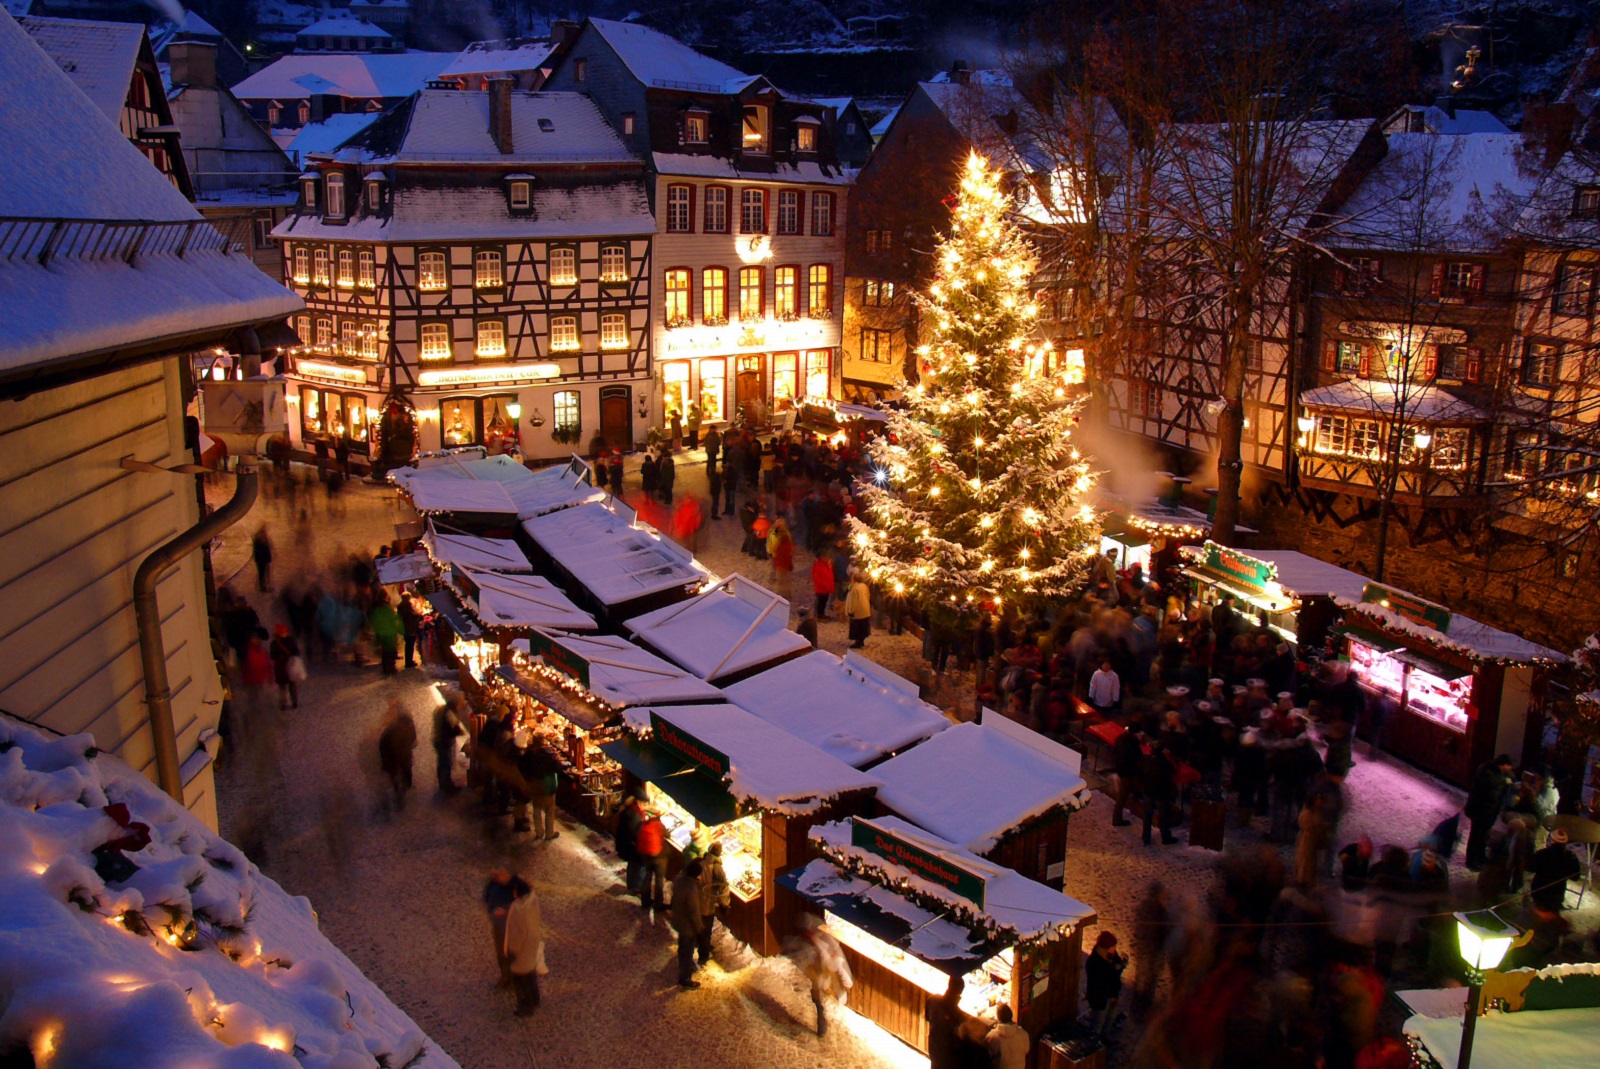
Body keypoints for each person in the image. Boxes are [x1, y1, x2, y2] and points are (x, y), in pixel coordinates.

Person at [788, 915, 852, 1037]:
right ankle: (821, 1019)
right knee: (817, 990)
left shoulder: (824, 939)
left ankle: (822, 1020)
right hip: (818, 967)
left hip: (825, 964)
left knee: (826, 984)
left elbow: (834, 957)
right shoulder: (811, 937)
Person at [482, 865, 530, 988]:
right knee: (501, 954)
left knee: (513, 954)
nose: (499, 874)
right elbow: (487, 898)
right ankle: (505, 977)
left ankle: (517, 981)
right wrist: (491, 909)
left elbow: (526, 904)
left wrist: (506, 910)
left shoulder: (518, 886)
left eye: (502, 872)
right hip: (499, 926)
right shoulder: (493, 883)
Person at [1465, 754, 1514, 870]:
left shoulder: (1497, 773)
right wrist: (1504, 783)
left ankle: (1481, 856)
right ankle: (1471, 860)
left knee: (1483, 835)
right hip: (1480, 810)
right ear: (1504, 765)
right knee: (1476, 835)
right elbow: (1491, 792)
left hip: (1489, 811)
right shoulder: (1487, 772)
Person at [503, 881, 544, 1016]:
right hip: (532, 944)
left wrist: (511, 950)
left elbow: (515, 934)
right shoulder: (533, 901)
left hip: (521, 952)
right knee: (530, 974)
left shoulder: (518, 909)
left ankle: (525, 1008)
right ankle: (535, 999)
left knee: (521, 980)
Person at [1084, 931, 1127, 1041]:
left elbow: (1114, 975)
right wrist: (1114, 970)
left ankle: (1105, 1039)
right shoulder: (1094, 962)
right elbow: (1100, 981)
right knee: (1098, 1022)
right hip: (1100, 999)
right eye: (1112, 946)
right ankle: (1094, 1044)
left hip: (1111, 995)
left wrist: (1120, 966)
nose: (1114, 948)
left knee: (1109, 1019)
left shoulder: (1112, 956)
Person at [1528, 827, 1581, 912]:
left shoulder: (1541, 853)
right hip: (1557, 895)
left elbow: (1530, 868)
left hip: (1538, 892)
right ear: (1565, 842)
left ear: (1551, 840)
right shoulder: (1571, 857)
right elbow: (1575, 877)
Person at [671, 859, 705, 989]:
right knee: (687, 949)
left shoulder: (679, 880)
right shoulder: (691, 889)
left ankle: (686, 967)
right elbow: (693, 911)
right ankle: (685, 978)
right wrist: (699, 927)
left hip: (679, 919)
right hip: (687, 925)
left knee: (683, 946)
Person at [377, 702, 417, 811]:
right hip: (399, 760)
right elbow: (413, 740)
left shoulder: (390, 731)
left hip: (395, 761)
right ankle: (402, 793)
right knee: (402, 776)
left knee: (397, 777)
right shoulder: (402, 729)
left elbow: (383, 745)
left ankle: (400, 792)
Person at [697, 842, 730, 967]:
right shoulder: (716, 867)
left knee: (700, 926)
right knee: (706, 929)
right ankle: (703, 955)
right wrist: (724, 904)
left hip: (698, 900)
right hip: (707, 902)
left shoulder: (701, 862)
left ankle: (700, 945)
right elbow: (723, 888)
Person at [1140, 741, 1178, 846]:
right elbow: (1173, 772)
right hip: (1160, 794)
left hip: (1148, 791)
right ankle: (1166, 837)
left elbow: (1140, 771)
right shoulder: (1164, 763)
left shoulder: (1147, 759)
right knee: (1163, 816)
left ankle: (1146, 837)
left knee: (1147, 815)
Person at [925, 974, 964, 1069]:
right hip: (948, 1056)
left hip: (934, 1047)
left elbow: (927, 1017)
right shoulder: (958, 1015)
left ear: (949, 984)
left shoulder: (933, 1000)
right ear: (960, 992)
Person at [614, 787, 646, 896]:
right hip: (631, 846)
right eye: (644, 803)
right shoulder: (634, 815)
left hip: (626, 845)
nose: (645, 806)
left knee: (632, 864)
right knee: (640, 864)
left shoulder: (629, 810)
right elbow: (634, 833)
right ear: (638, 802)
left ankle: (631, 885)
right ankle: (637, 888)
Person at [636, 806, 668, 915]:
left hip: (646, 856)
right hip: (659, 856)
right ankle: (658, 904)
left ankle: (645, 901)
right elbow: (668, 835)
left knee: (647, 877)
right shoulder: (659, 825)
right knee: (659, 881)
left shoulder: (644, 825)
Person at [431, 696, 464, 794]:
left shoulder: (442, 709)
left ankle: (443, 784)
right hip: (444, 742)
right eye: (459, 706)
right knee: (446, 764)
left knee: (442, 763)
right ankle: (447, 786)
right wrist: (459, 732)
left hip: (438, 740)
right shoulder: (450, 713)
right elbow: (453, 729)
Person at [1112, 727, 1144, 827]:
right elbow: (1138, 757)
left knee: (1125, 793)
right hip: (1128, 772)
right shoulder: (1132, 743)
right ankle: (1117, 819)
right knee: (1122, 796)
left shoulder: (1121, 739)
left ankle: (1120, 816)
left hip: (1121, 770)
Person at [268, 624, 301, 710]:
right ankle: (294, 702)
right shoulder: (291, 641)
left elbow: (272, 656)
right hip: (289, 666)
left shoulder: (274, 643)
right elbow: (296, 652)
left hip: (280, 667)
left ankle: (283, 704)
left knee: (282, 687)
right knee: (292, 685)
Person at [986, 1004, 1029, 1068]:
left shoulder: (992, 1037)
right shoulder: (1023, 1034)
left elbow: (986, 1056)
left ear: (998, 1018)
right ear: (1011, 1016)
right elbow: (1026, 1050)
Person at [845, 570, 872, 649]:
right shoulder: (864, 586)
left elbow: (853, 602)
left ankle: (858, 642)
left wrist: (851, 611)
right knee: (863, 627)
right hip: (865, 610)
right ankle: (861, 641)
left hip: (857, 612)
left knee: (857, 628)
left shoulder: (854, 589)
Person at [398, 591, 422, 669]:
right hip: (410, 627)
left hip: (405, 628)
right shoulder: (407, 606)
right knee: (410, 645)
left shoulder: (401, 606)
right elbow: (413, 615)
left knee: (408, 644)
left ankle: (408, 661)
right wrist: (419, 613)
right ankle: (409, 662)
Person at [811, 551, 836, 620]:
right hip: (821, 588)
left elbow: (830, 576)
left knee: (824, 601)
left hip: (826, 588)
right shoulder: (818, 565)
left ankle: (822, 614)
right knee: (821, 602)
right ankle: (819, 615)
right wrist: (823, 584)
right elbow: (816, 577)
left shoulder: (828, 565)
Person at [251, 526, 273, 591]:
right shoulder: (259, 541)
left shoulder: (263, 540)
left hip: (264, 559)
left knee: (265, 573)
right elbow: (262, 550)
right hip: (261, 560)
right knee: (262, 574)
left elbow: (267, 549)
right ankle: (262, 587)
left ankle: (265, 585)